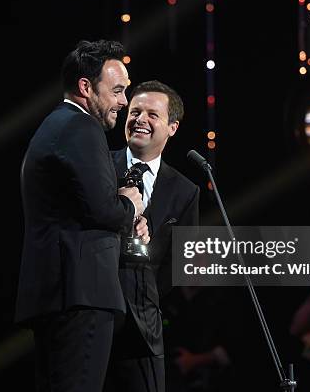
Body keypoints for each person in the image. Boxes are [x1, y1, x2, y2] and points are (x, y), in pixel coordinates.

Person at [15, 40, 149, 392]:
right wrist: (131, 203)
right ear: (85, 87)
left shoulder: (56, 125)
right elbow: (104, 209)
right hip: (80, 294)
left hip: (62, 293)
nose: (123, 101)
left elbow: (82, 208)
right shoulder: (80, 127)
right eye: (118, 91)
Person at [104, 80, 200, 392]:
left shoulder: (186, 191)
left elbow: (178, 263)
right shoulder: (100, 166)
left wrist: (142, 295)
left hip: (144, 326)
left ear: (172, 127)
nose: (140, 119)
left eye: (152, 114)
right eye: (135, 111)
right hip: (95, 312)